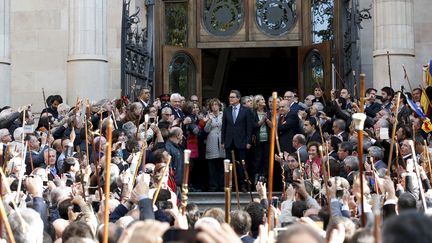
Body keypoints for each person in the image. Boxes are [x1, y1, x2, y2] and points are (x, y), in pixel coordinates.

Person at [221, 90, 253, 192]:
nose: (230, 99)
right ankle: (229, 185)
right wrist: (222, 141)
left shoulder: (246, 110)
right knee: (228, 164)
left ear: (238, 98)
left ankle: (242, 185)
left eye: (233, 97)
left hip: (241, 141)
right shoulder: (226, 110)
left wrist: (248, 141)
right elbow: (224, 127)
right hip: (229, 141)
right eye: (230, 97)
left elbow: (249, 127)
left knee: (241, 164)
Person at [204, 98, 225, 191]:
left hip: (221, 141)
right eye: (212, 105)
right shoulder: (208, 116)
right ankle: (213, 186)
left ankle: (222, 185)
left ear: (219, 106)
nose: (214, 107)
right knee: (212, 166)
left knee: (221, 165)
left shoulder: (223, 115)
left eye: (216, 104)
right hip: (212, 141)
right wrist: (209, 120)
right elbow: (206, 130)